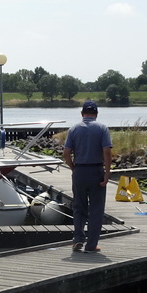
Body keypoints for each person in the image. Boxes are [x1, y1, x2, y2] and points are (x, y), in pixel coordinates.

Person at [63, 100, 112, 252]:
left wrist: (73, 168)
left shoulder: (73, 129)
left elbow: (66, 153)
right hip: (96, 170)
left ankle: (78, 239)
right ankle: (91, 245)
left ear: (82, 113)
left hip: (80, 171)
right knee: (96, 210)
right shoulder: (102, 128)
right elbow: (107, 152)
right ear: (96, 114)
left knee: (79, 207)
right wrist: (107, 172)